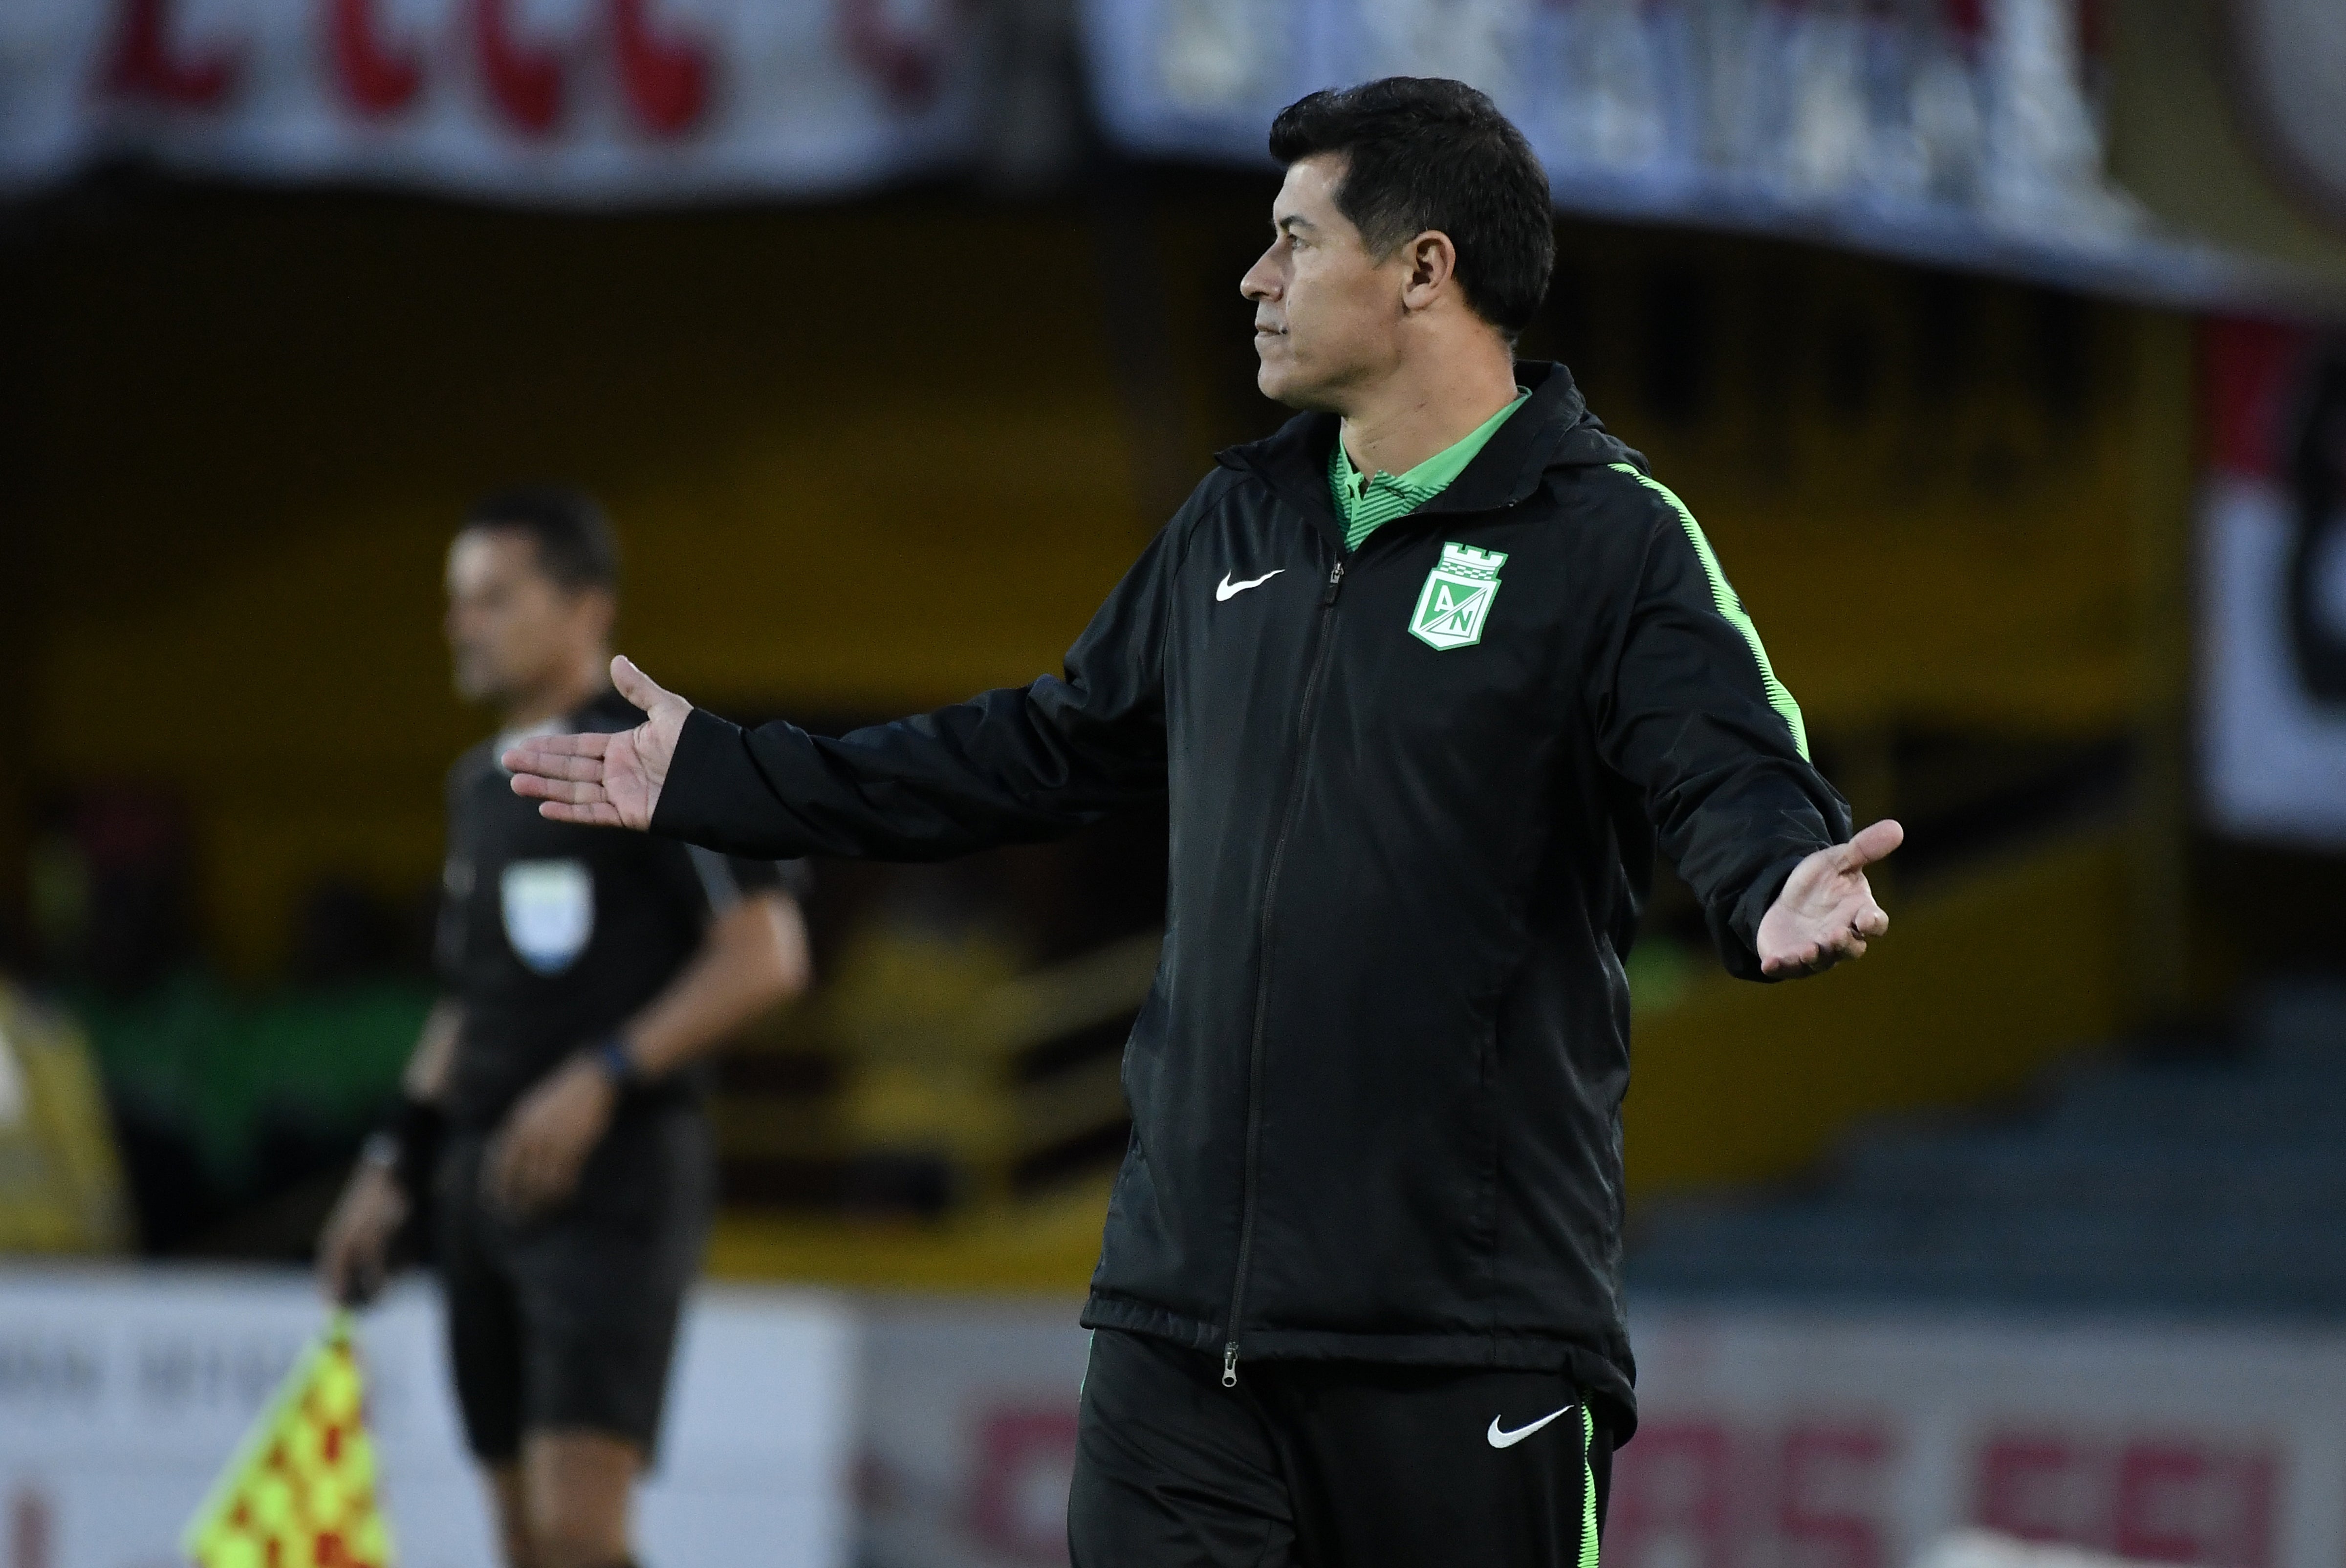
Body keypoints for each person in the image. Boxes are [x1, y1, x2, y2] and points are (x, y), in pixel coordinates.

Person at [503, 79, 1901, 1568]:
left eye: (1296, 241)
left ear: (1426, 270)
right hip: (1185, 1339)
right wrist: (721, 775)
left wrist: (1771, 880)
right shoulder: (1237, 521)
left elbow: (1726, 762)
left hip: (1466, 1348)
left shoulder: (1611, 538)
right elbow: (1037, 752)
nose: (1258, 278)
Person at [316, 488, 811, 1568]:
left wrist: (604, 1073)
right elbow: (470, 1001)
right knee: (525, 1541)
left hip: (614, 1183)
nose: (461, 623)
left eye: (493, 597)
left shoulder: (650, 755)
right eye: (457, 599)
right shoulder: (476, 784)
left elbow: (768, 953)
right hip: (480, 1185)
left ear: (588, 606)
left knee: (582, 1532)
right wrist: (393, 1159)